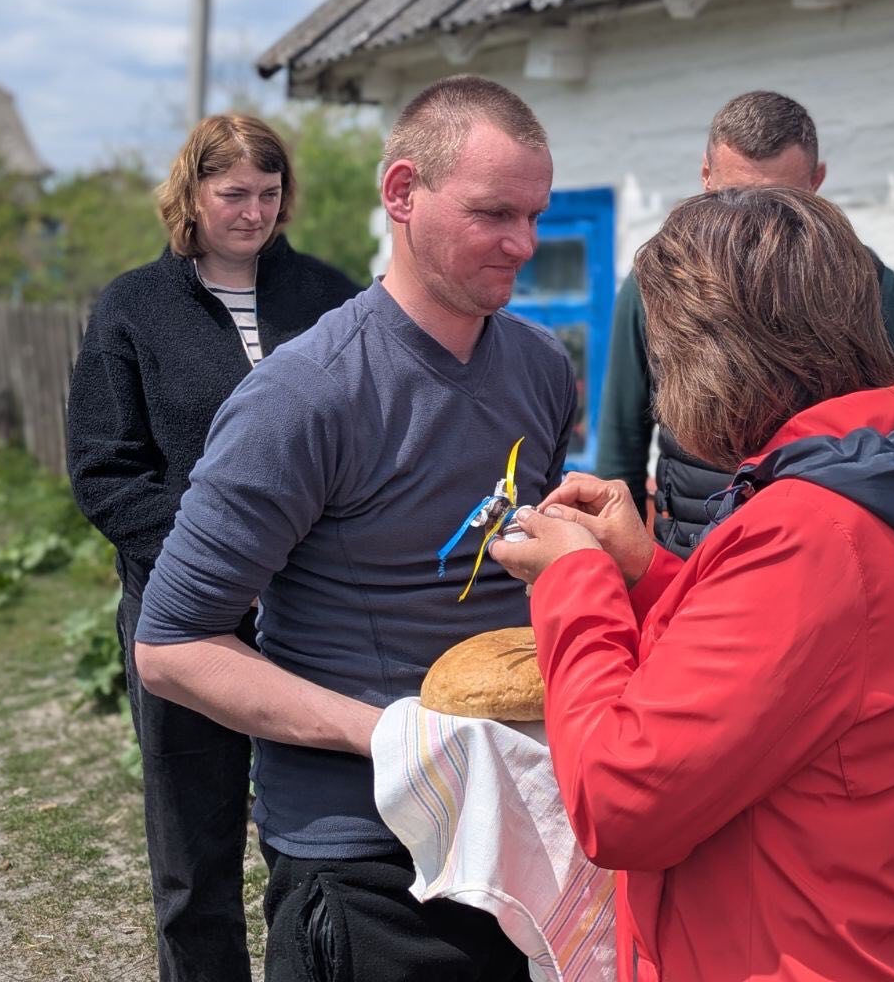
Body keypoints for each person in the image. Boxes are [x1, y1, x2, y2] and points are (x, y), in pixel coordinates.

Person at [492, 187, 894, 982]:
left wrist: (574, 579)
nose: (663, 389)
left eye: (666, 359)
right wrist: (645, 572)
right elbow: (797, 672)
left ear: (718, 355)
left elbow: (618, 799)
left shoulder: (810, 532)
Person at [131, 75, 577, 982]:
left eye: (534, 215)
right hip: (365, 851)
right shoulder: (304, 395)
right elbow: (172, 648)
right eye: (493, 213)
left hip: (522, 818)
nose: (523, 244)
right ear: (402, 192)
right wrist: (391, 735)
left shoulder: (539, 363)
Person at [67, 113, 360, 982]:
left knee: (318, 842)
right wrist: (219, 565)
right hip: (182, 614)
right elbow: (106, 470)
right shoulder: (133, 308)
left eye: (269, 193)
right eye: (234, 194)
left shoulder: (330, 296)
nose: (253, 212)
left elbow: (366, 434)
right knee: (193, 859)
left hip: (312, 614)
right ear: (191, 195)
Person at [597, 90, 894, 553]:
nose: (754, 220)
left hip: (825, 557)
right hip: (690, 559)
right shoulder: (658, 283)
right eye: (735, 195)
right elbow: (621, 445)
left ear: (816, 182)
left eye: (779, 199)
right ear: (706, 175)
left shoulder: (869, 285)